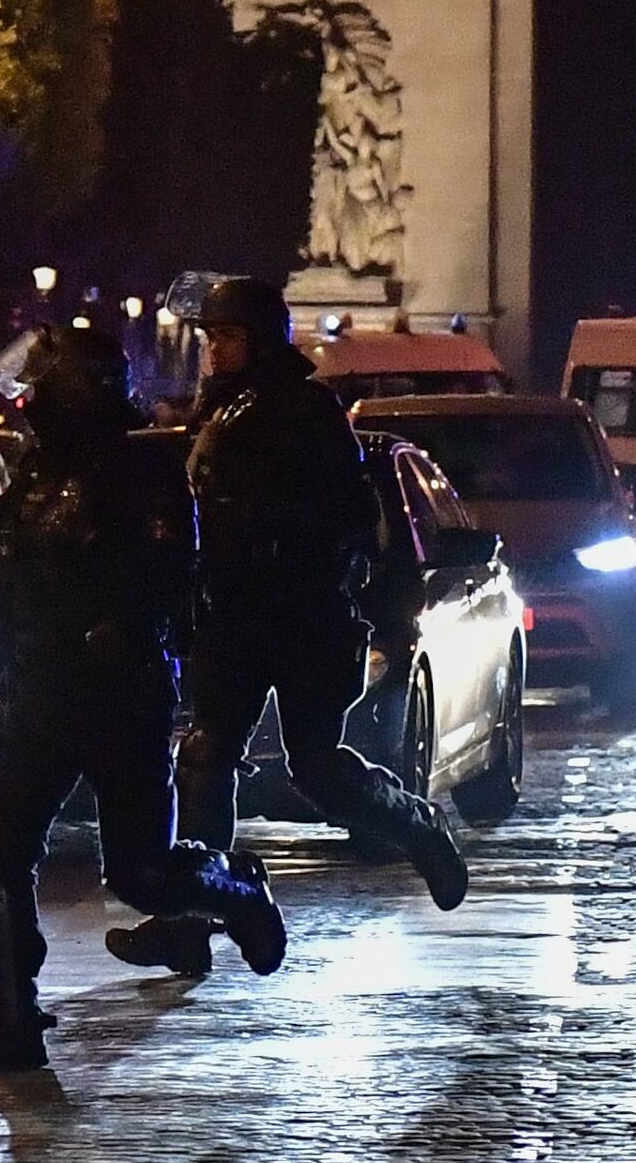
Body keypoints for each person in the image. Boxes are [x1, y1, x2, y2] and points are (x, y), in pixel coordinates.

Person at [0, 318, 284, 1081]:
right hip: (41, 689)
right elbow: (3, 583)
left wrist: (118, 628)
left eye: (46, 376)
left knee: (139, 872)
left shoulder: (143, 469)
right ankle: (11, 1022)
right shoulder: (35, 472)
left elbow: (168, 575)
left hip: (120, 695)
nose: (30, 392)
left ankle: (237, 890)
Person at [112, 274, 468, 975]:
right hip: (232, 613)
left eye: (229, 336)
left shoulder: (307, 410)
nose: (215, 349)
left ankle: (417, 826)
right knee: (206, 758)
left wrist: (265, 530)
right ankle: (194, 913)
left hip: (301, 613)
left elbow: (348, 516)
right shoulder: (217, 409)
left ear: (262, 337)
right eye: (210, 337)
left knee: (316, 765)